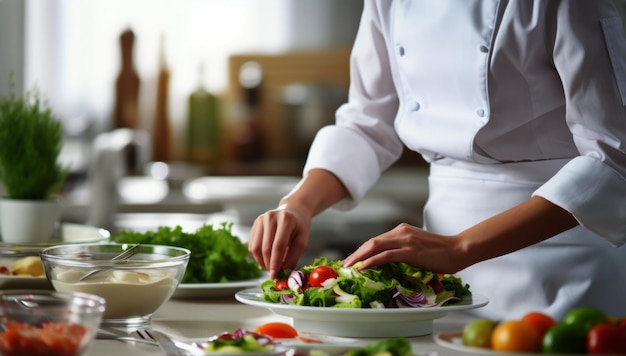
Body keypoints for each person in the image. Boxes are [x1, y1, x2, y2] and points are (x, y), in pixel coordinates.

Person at [248, 0, 626, 321]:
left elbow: (612, 155)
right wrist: (298, 204)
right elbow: (368, 124)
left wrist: (461, 247)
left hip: (561, 263)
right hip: (438, 281)